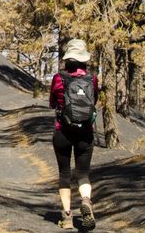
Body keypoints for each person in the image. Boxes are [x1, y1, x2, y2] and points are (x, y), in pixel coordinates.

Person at [50, 38, 98, 230]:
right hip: (85, 132)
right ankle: (86, 200)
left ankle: (67, 216)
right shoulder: (91, 78)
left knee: (64, 173)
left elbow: (52, 102)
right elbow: (95, 98)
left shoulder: (58, 78)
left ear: (68, 58)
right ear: (84, 59)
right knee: (83, 174)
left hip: (63, 131)